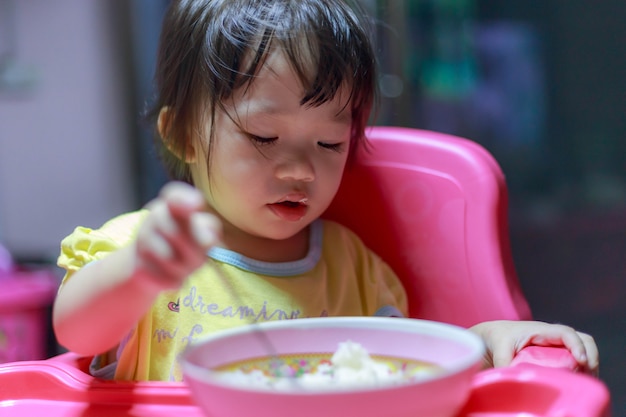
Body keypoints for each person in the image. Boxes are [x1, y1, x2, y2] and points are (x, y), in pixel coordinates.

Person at [52, 0, 598, 382]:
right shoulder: (142, 248)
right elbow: (76, 331)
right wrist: (142, 270)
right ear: (182, 135)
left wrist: (484, 340)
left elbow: (409, 367)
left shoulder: (351, 269)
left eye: (330, 143)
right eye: (264, 137)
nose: (301, 171)